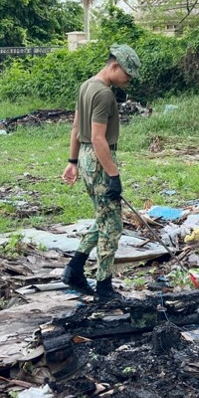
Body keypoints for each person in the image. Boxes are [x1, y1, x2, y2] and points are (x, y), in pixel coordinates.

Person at [60, 44, 141, 301]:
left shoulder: (86, 86)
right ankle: (104, 287)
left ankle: (74, 268)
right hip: (99, 159)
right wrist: (114, 176)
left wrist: (73, 161)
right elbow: (98, 138)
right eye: (127, 74)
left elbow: (76, 127)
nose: (128, 80)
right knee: (112, 226)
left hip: (86, 157)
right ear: (115, 66)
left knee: (104, 216)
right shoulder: (104, 94)